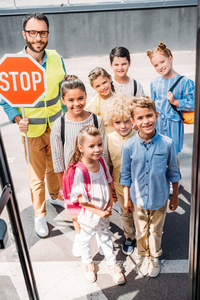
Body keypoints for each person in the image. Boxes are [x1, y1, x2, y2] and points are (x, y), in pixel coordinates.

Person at [0, 12, 67, 238]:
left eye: (43, 32)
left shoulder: (57, 59)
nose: (38, 37)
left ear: (48, 34)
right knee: (36, 176)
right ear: (24, 34)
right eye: (33, 32)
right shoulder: (14, 64)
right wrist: (18, 120)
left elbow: (64, 92)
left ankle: (56, 196)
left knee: (55, 167)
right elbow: (5, 99)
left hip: (57, 127)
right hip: (31, 131)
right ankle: (40, 215)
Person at [120, 96, 181, 278]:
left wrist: (175, 195)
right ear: (133, 122)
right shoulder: (128, 146)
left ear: (156, 115)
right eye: (140, 118)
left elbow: (173, 172)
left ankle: (154, 256)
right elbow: (125, 175)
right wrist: (127, 198)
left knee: (155, 230)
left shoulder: (167, 144)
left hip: (159, 197)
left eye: (149, 116)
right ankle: (142, 254)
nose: (145, 121)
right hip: (137, 198)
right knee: (141, 229)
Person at [50, 75, 108, 256]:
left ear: (86, 96)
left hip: (95, 176)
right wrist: (61, 185)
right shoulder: (59, 124)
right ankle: (83, 247)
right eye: (71, 100)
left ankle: (101, 239)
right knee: (77, 214)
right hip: (71, 179)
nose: (76, 103)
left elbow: (104, 154)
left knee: (96, 210)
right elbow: (58, 159)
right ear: (63, 100)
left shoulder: (97, 120)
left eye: (80, 98)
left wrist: (108, 181)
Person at [68, 125, 125, 284]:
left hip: (104, 211)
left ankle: (112, 265)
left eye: (100, 144)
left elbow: (107, 181)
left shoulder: (100, 161)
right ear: (81, 148)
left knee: (105, 237)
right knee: (85, 240)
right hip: (89, 215)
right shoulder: (81, 171)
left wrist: (110, 202)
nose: (97, 149)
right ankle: (87, 263)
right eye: (91, 146)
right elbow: (82, 200)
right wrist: (100, 212)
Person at [147, 42, 194, 170]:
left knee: (172, 155)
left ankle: (175, 183)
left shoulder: (186, 82)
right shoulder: (155, 83)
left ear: (170, 58)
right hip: (158, 124)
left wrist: (176, 102)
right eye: (156, 65)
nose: (160, 66)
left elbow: (194, 103)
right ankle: (162, 182)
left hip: (174, 124)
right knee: (158, 154)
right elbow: (153, 105)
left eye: (162, 62)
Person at [102, 95, 137, 255]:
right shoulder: (108, 140)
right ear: (111, 122)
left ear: (133, 120)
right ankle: (129, 237)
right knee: (126, 213)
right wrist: (110, 189)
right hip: (120, 185)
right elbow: (109, 166)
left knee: (142, 213)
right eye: (117, 122)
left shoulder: (139, 136)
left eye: (126, 121)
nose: (123, 126)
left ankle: (145, 238)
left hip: (140, 185)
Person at [86, 67, 115, 134]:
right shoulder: (93, 105)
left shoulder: (118, 97)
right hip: (104, 139)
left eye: (104, 82)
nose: (102, 87)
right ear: (93, 87)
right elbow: (89, 127)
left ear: (110, 78)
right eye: (98, 86)